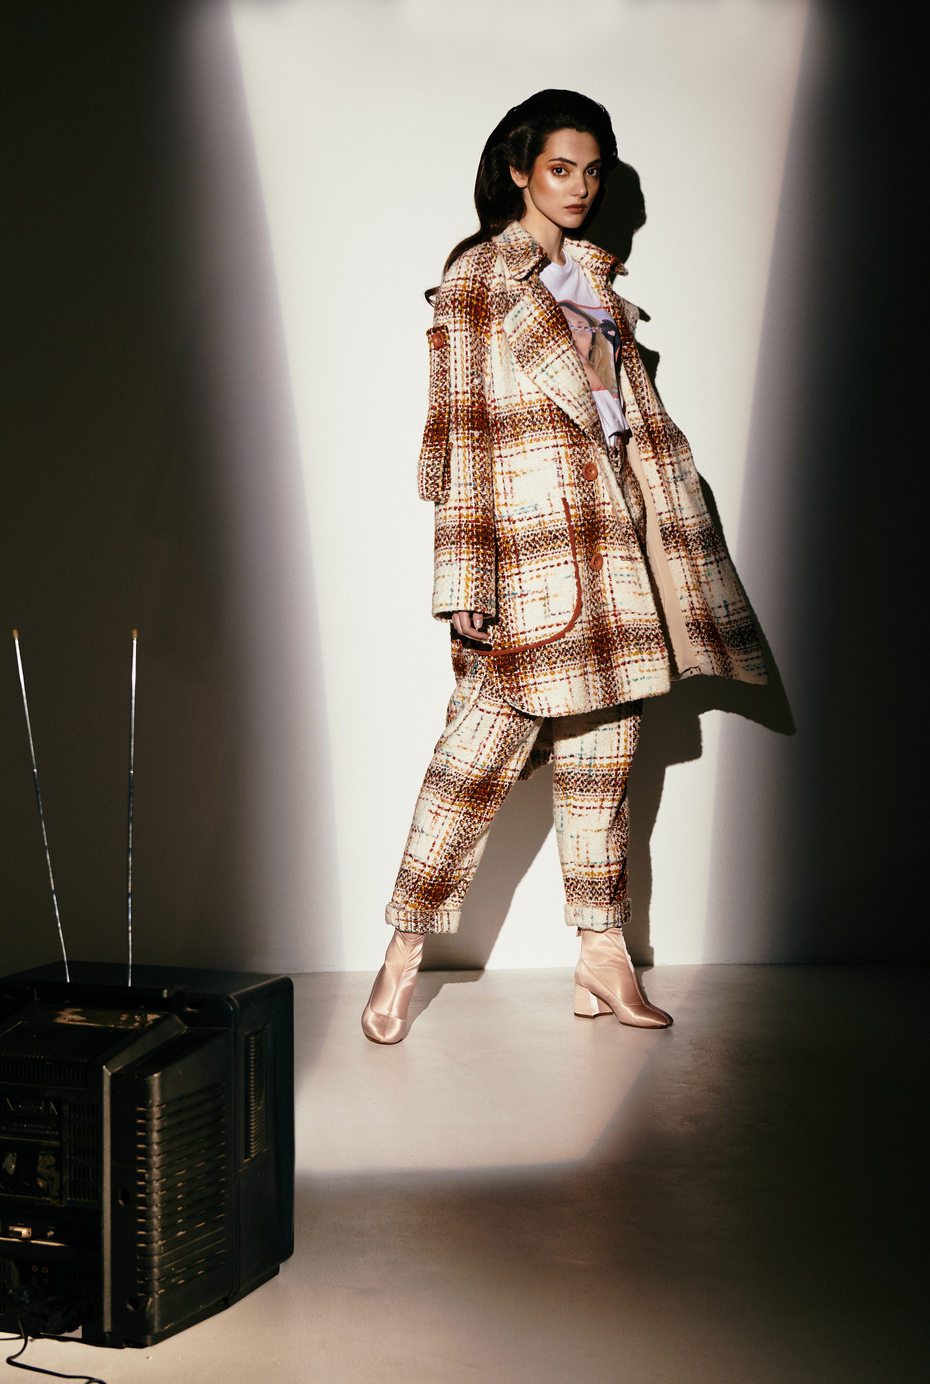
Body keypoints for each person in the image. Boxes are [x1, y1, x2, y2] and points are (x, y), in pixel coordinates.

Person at [362, 90, 766, 1044]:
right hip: (530, 559)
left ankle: (602, 958)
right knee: (469, 769)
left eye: (592, 171)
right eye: (559, 169)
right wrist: (465, 580)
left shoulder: (597, 283)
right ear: (518, 171)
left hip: (618, 553)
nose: (579, 188)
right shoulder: (477, 278)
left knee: (603, 768)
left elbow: (626, 428)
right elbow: (459, 437)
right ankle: (403, 953)